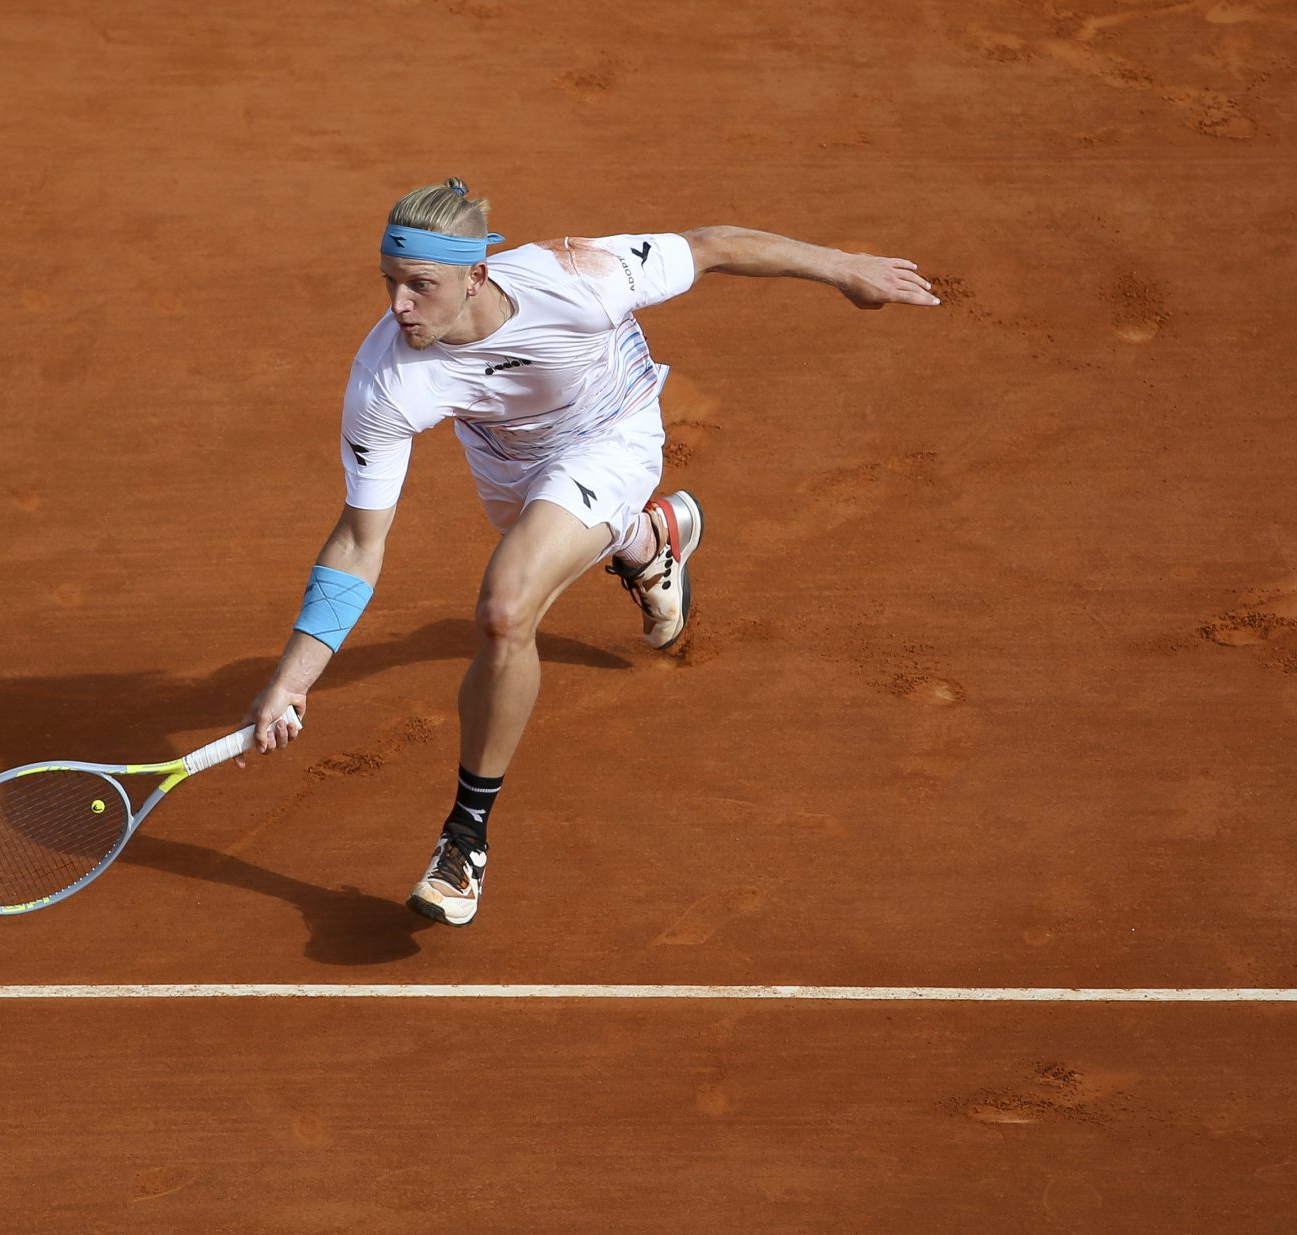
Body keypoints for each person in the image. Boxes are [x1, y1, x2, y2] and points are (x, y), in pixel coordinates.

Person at [241, 178, 938, 927]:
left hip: (614, 437)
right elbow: (358, 539)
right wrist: (294, 677)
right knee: (539, 554)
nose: (399, 306)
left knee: (506, 610)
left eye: (420, 286)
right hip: (512, 476)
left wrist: (846, 267)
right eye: (390, 284)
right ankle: (649, 538)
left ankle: (464, 842)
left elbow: (713, 247)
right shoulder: (385, 378)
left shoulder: (578, 277)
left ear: (477, 274)